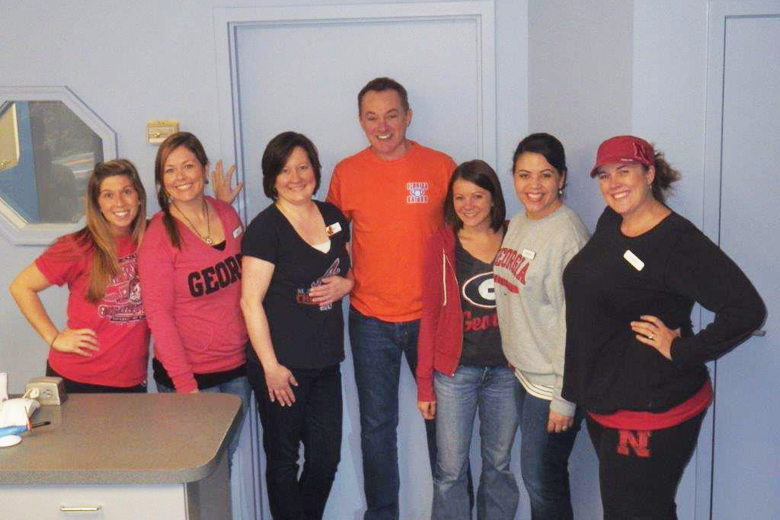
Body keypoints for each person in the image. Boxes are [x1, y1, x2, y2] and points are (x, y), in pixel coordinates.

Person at [562, 135, 766, 519]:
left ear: (649, 173)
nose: (613, 184)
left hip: (650, 408)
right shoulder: (613, 220)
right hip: (606, 400)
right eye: (604, 175)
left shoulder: (678, 242)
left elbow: (746, 310)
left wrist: (682, 350)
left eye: (625, 171)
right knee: (643, 510)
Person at [326, 77, 467, 519]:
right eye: (372, 117)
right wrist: (346, 278)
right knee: (376, 429)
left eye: (391, 115)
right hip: (370, 320)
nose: (382, 126)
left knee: (444, 428)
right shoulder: (347, 172)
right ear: (360, 121)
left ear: (408, 116)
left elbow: (465, 234)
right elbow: (328, 239)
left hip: (432, 320)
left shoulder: (441, 166)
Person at [241, 132, 352, 520]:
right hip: (281, 368)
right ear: (272, 178)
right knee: (283, 462)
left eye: (303, 167)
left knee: (325, 460)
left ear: (315, 171)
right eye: (285, 170)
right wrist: (270, 367)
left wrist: (348, 285)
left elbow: (349, 269)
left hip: (326, 362)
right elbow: (250, 302)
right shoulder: (265, 229)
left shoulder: (333, 217)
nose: (295, 177)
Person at [137, 132, 250, 468]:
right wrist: (186, 386)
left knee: (224, 466)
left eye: (188, 166)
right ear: (161, 181)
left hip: (237, 369)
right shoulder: (159, 236)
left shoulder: (227, 214)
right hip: (190, 378)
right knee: (200, 475)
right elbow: (159, 317)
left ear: (203, 168)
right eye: (170, 170)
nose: (180, 177)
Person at [493, 133, 590, 519]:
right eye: (524, 175)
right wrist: (514, 350)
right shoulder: (519, 222)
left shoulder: (567, 236)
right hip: (524, 372)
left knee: (541, 480)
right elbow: (512, 293)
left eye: (545, 175)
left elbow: (577, 324)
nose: (534, 186)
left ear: (562, 178)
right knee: (539, 476)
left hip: (552, 383)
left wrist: (564, 399)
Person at [417, 160, 519, 519]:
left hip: (507, 372)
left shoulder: (516, 236)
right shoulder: (442, 244)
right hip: (455, 374)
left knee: (499, 466)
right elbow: (429, 315)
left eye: (477, 196)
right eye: (459, 197)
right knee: (450, 472)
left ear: (493, 198)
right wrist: (425, 385)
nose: (468, 205)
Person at [9, 159, 149, 393]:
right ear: (97, 204)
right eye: (108, 195)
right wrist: (54, 338)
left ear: (139, 197)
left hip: (130, 379)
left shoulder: (153, 237)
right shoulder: (78, 246)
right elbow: (21, 286)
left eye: (127, 192)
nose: (119, 202)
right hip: (77, 377)